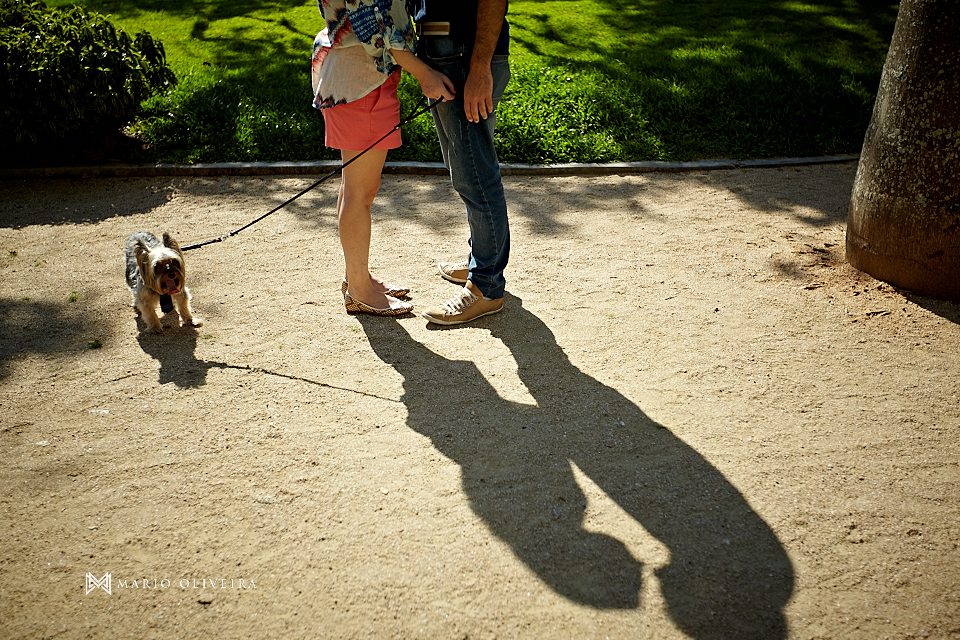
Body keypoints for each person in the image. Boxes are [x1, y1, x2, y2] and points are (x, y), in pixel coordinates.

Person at [312, 0, 454, 316]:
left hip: (352, 76)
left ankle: (357, 279)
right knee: (360, 194)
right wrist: (425, 74)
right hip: (362, 83)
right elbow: (381, 28)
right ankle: (360, 291)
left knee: (354, 189)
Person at [413, 0, 512, 325]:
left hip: (467, 59)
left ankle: (485, 287)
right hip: (447, 55)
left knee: (476, 177)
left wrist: (481, 68)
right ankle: (480, 262)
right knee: (467, 172)